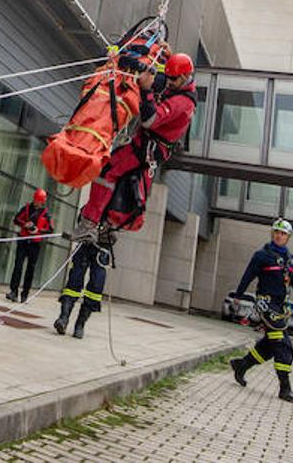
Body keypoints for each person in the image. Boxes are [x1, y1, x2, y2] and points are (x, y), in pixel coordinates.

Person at [54, 52, 197, 340]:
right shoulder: (175, 88)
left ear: (184, 78)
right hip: (108, 219)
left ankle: (79, 321)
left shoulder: (182, 103)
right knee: (83, 264)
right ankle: (66, 315)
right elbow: (151, 77)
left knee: (107, 172)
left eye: (172, 78)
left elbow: (149, 119)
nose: (166, 82)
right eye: (166, 77)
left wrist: (145, 90)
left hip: (143, 153)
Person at [228, 219, 293, 403]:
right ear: (272, 233)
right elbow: (248, 276)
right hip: (266, 305)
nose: (279, 236)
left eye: (283, 233)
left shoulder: (291, 260)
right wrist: (237, 297)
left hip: (281, 307)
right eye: (276, 232)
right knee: (284, 346)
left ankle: (241, 365)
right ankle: (285, 389)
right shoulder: (262, 255)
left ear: (288, 237)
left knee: (270, 346)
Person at [5, 188, 52, 303]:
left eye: (39, 201)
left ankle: (25, 294)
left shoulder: (46, 214)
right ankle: (13, 292)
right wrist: (25, 224)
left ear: (43, 201)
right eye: (36, 200)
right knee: (18, 266)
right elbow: (16, 219)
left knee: (30, 269)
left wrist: (38, 230)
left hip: (35, 244)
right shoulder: (26, 208)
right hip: (23, 240)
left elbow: (50, 230)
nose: (37, 203)